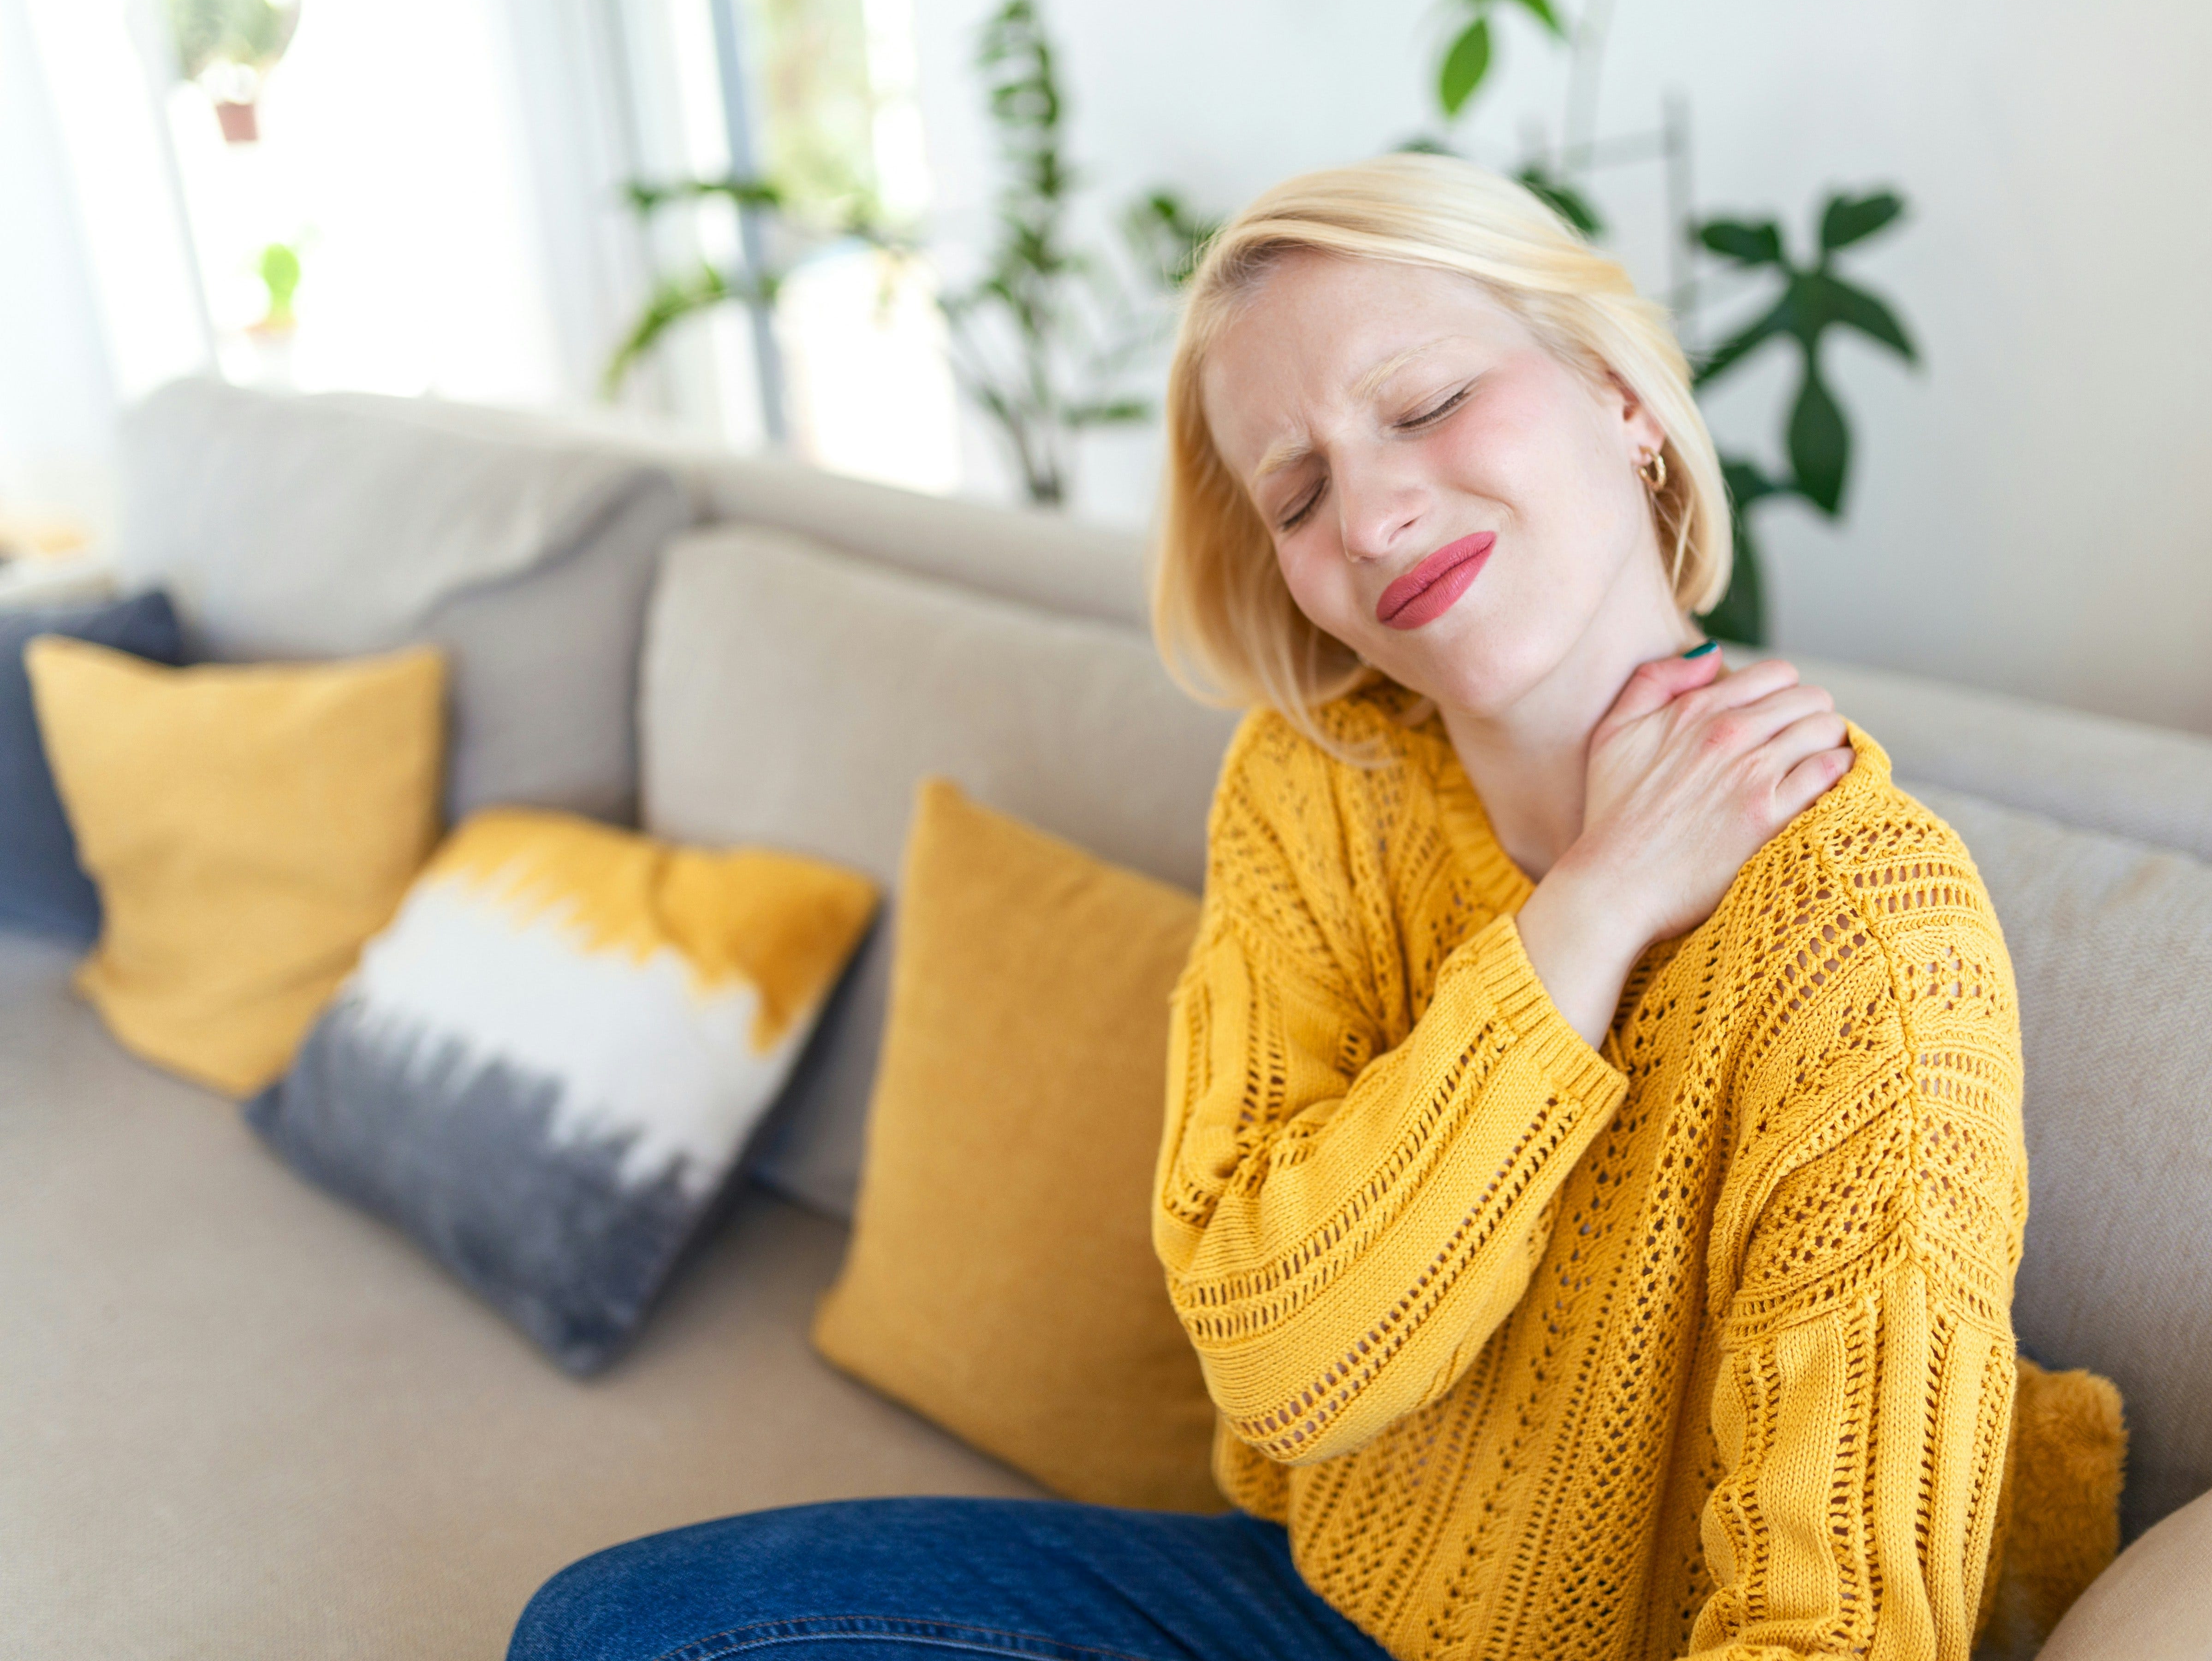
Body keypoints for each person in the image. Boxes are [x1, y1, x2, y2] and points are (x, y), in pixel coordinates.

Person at [510, 151, 2047, 1661]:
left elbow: (1842, 1628)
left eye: (1425, 404)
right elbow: (1280, 1365)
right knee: (614, 1636)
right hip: (1294, 1604)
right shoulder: (1319, 778)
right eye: (1298, 494)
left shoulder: (1867, 931)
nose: (1368, 519)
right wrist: (1592, 912)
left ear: (1622, 398)